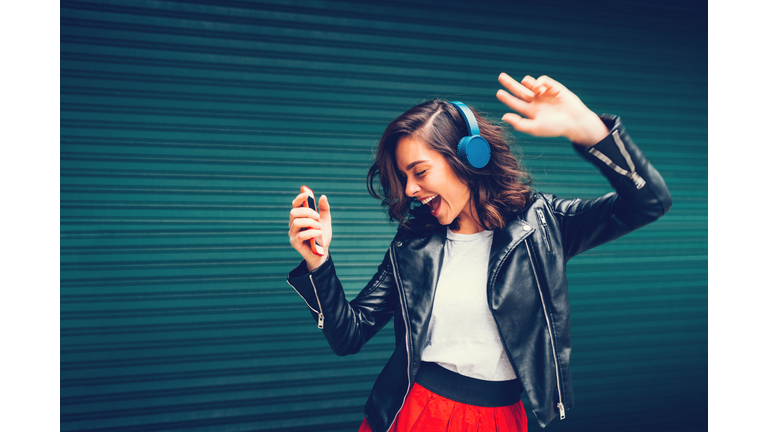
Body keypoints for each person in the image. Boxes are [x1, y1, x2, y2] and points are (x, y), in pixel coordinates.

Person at [286, 73, 672, 432]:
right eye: (403, 178)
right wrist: (318, 262)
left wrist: (589, 130)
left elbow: (648, 202)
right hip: (414, 411)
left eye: (419, 173)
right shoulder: (412, 243)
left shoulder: (543, 224)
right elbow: (348, 335)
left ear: (469, 156)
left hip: (502, 417)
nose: (409, 190)